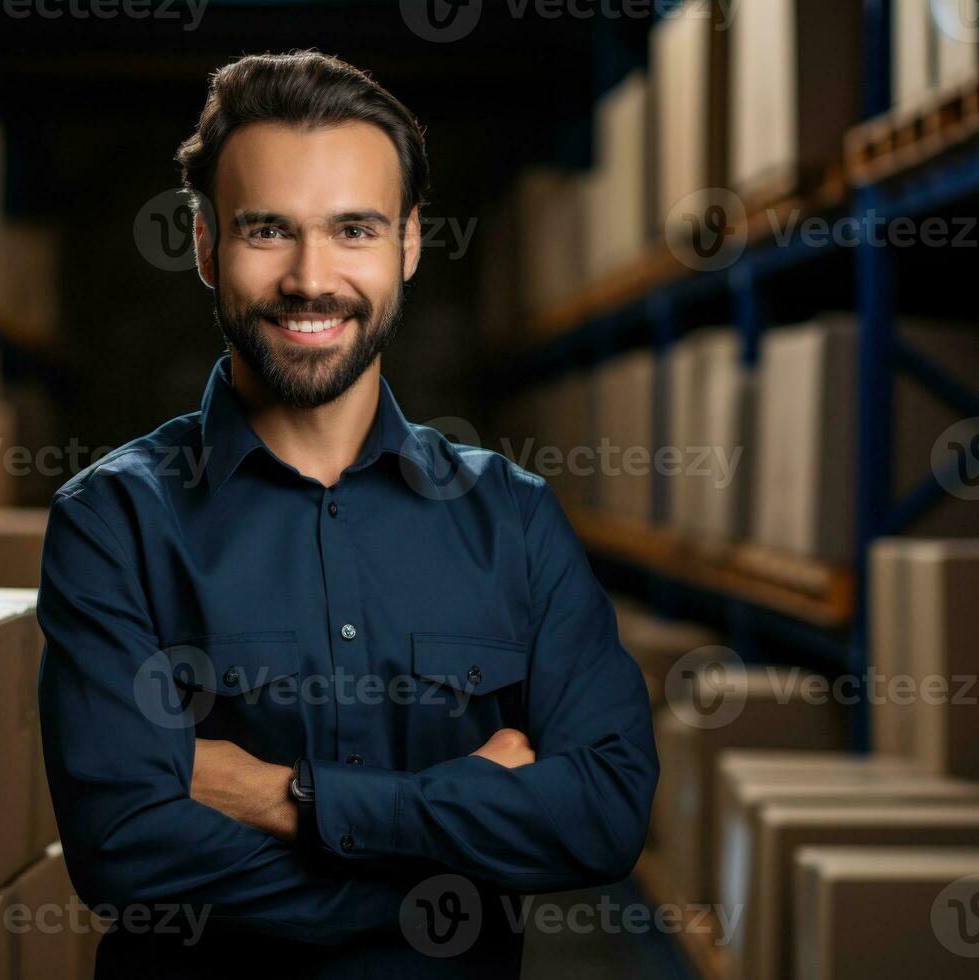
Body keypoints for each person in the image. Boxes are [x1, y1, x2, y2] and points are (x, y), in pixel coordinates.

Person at [37, 49, 657, 978]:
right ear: (205, 244)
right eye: (267, 231)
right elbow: (125, 849)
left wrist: (294, 796)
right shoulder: (113, 523)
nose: (311, 278)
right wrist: (452, 860)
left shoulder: (513, 519)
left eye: (354, 230)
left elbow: (604, 811)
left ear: (409, 244)